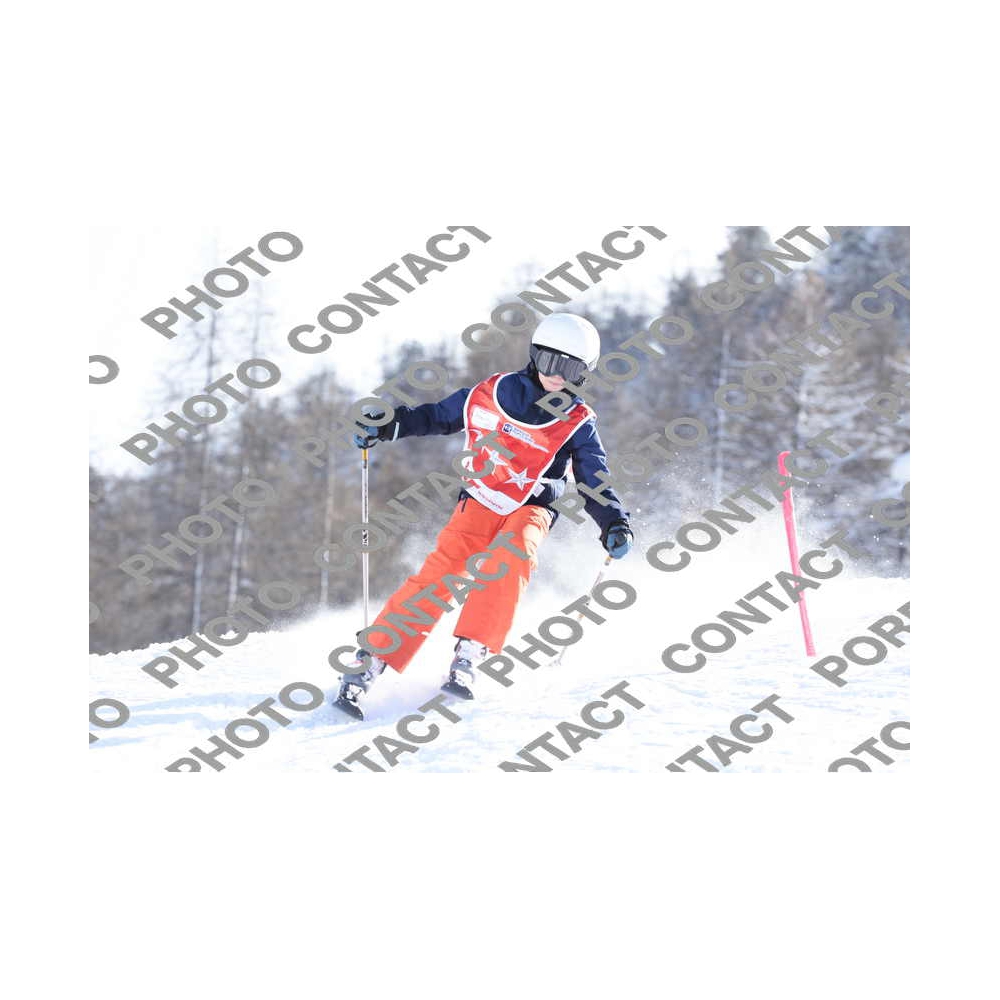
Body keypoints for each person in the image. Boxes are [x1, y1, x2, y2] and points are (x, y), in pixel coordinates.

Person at [335, 312, 633, 718]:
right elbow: (435, 417)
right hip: (481, 496)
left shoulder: (578, 422)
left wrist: (614, 521)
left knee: (511, 556)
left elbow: (593, 478)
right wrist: (388, 425)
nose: (557, 375)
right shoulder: (489, 392)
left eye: (571, 369)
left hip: (533, 506)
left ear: (584, 373)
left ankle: (471, 651)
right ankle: (374, 658)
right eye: (550, 362)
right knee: (443, 569)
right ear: (535, 355)